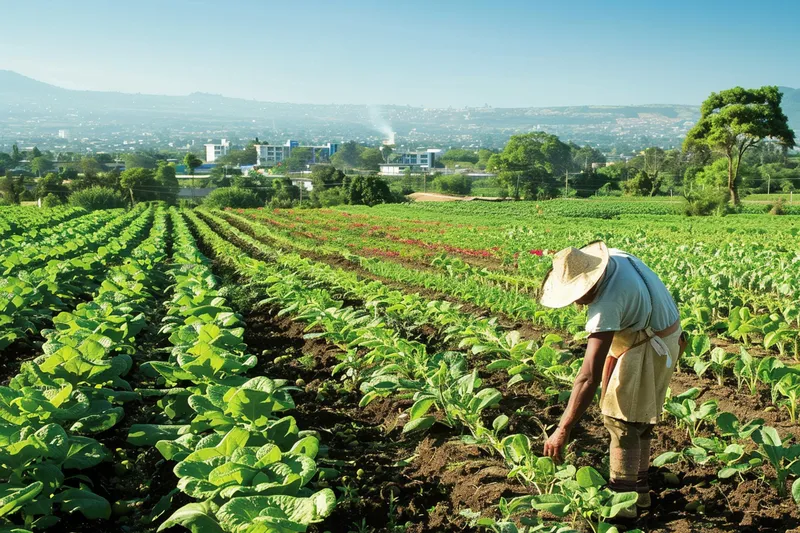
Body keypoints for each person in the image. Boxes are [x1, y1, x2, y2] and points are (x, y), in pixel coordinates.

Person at [539, 241, 685, 516]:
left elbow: (587, 377)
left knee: (621, 421)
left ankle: (623, 504)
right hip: (668, 337)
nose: (577, 302)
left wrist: (563, 428)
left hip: (648, 345)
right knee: (640, 417)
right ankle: (640, 494)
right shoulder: (617, 259)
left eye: (578, 295)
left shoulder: (608, 302)